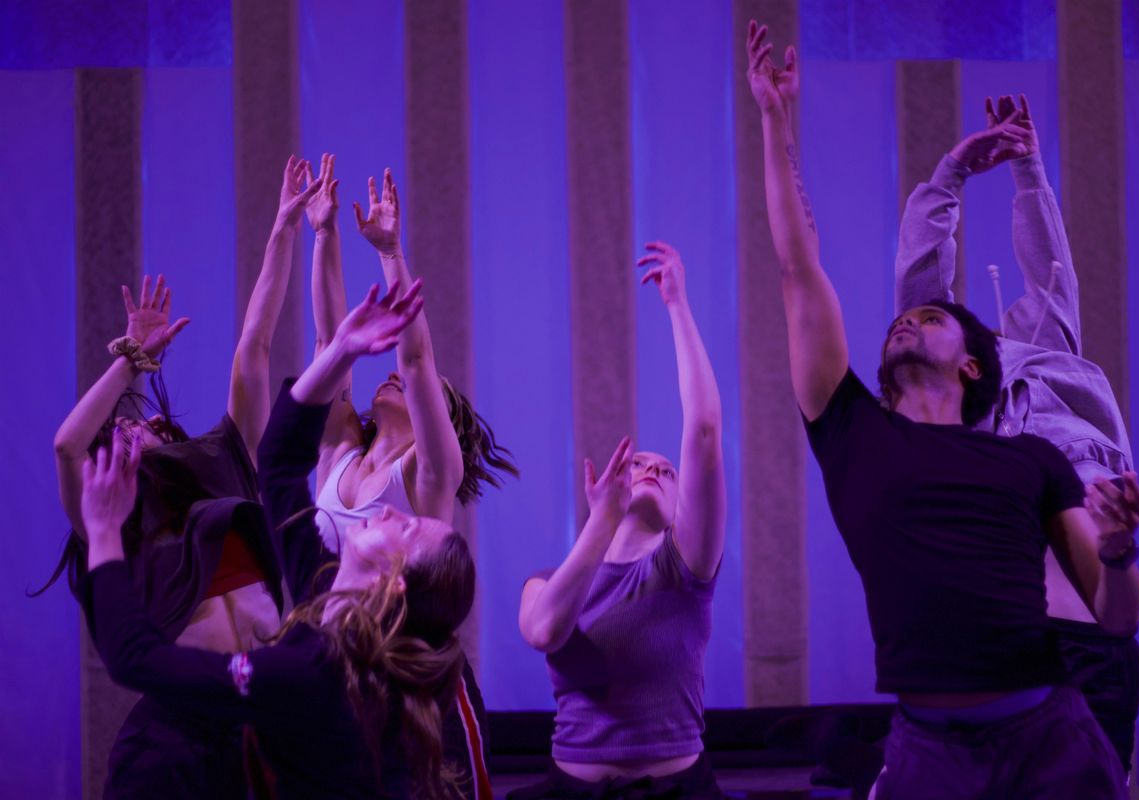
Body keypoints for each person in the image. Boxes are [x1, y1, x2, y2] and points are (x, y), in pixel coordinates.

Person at [746, 20, 1139, 799]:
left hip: (1059, 703)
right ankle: (845, 749)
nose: (909, 321)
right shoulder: (862, 432)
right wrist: (776, 120)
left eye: (931, 319)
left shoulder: (1037, 437)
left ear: (969, 362)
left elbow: (1052, 278)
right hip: (934, 738)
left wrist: (1028, 169)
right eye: (907, 318)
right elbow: (801, 268)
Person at [82, 279, 478, 799]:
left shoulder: (314, 674)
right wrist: (340, 350)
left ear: (393, 581)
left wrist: (103, 533)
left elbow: (135, 659)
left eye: (405, 528)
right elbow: (280, 465)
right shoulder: (324, 596)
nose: (390, 514)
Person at [48, 156, 324, 797]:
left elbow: (254, 346)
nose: (122, 430)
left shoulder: (223, 461)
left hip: (259, 714)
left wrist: (283, 230)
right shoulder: (112, 511)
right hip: (179, 727)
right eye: (113, 434)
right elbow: (67, 445)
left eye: (132, 423)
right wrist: (131, 361)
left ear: (166, 431)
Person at [896, 94, 1139, 775]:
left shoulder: (1052, 363)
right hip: (1005, 648)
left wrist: (1029, 169)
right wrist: (948, 177)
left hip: (1090, 639)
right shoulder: (949, 404)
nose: (924, 325)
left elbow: (1053, 273)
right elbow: (919, 287)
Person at [304, 156, 516, 798]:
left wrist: (390, 252)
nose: (393, 375)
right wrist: (324, 234)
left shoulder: (429, 475)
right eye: (388, 374)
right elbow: (331, 342)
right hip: (343, 657)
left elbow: (418, 357)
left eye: (424, 390)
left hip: (418, 668)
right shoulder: (341, 451)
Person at [511, 242, 727, 799]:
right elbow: (544, 632)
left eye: (666, 471)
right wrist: (601, 523)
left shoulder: (684, 566)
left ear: (680, 510)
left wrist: (677, 304)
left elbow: (704, 428)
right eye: (638, 464)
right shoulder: (545, 583)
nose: (653, 468)